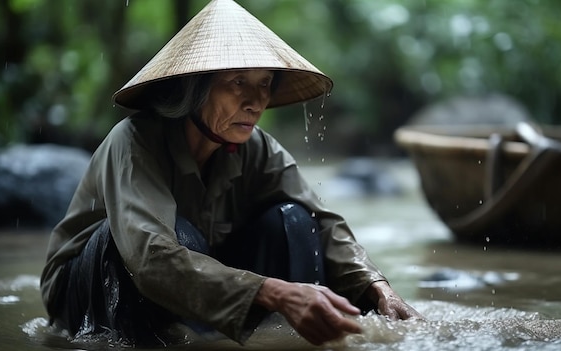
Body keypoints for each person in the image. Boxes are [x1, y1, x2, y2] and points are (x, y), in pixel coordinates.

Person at [40, 0, 423, 347]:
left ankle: (307, 331)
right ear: (196, 88)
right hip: (86, 289)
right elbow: (152, 257)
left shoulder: (257, 147)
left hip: (198, 281)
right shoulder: (134, 140)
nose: (256, 102)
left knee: (294, 219)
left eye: (264, 85)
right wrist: (272, 291)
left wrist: (378, 288)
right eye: (239, 82)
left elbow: (324, 224)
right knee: (177, 235)